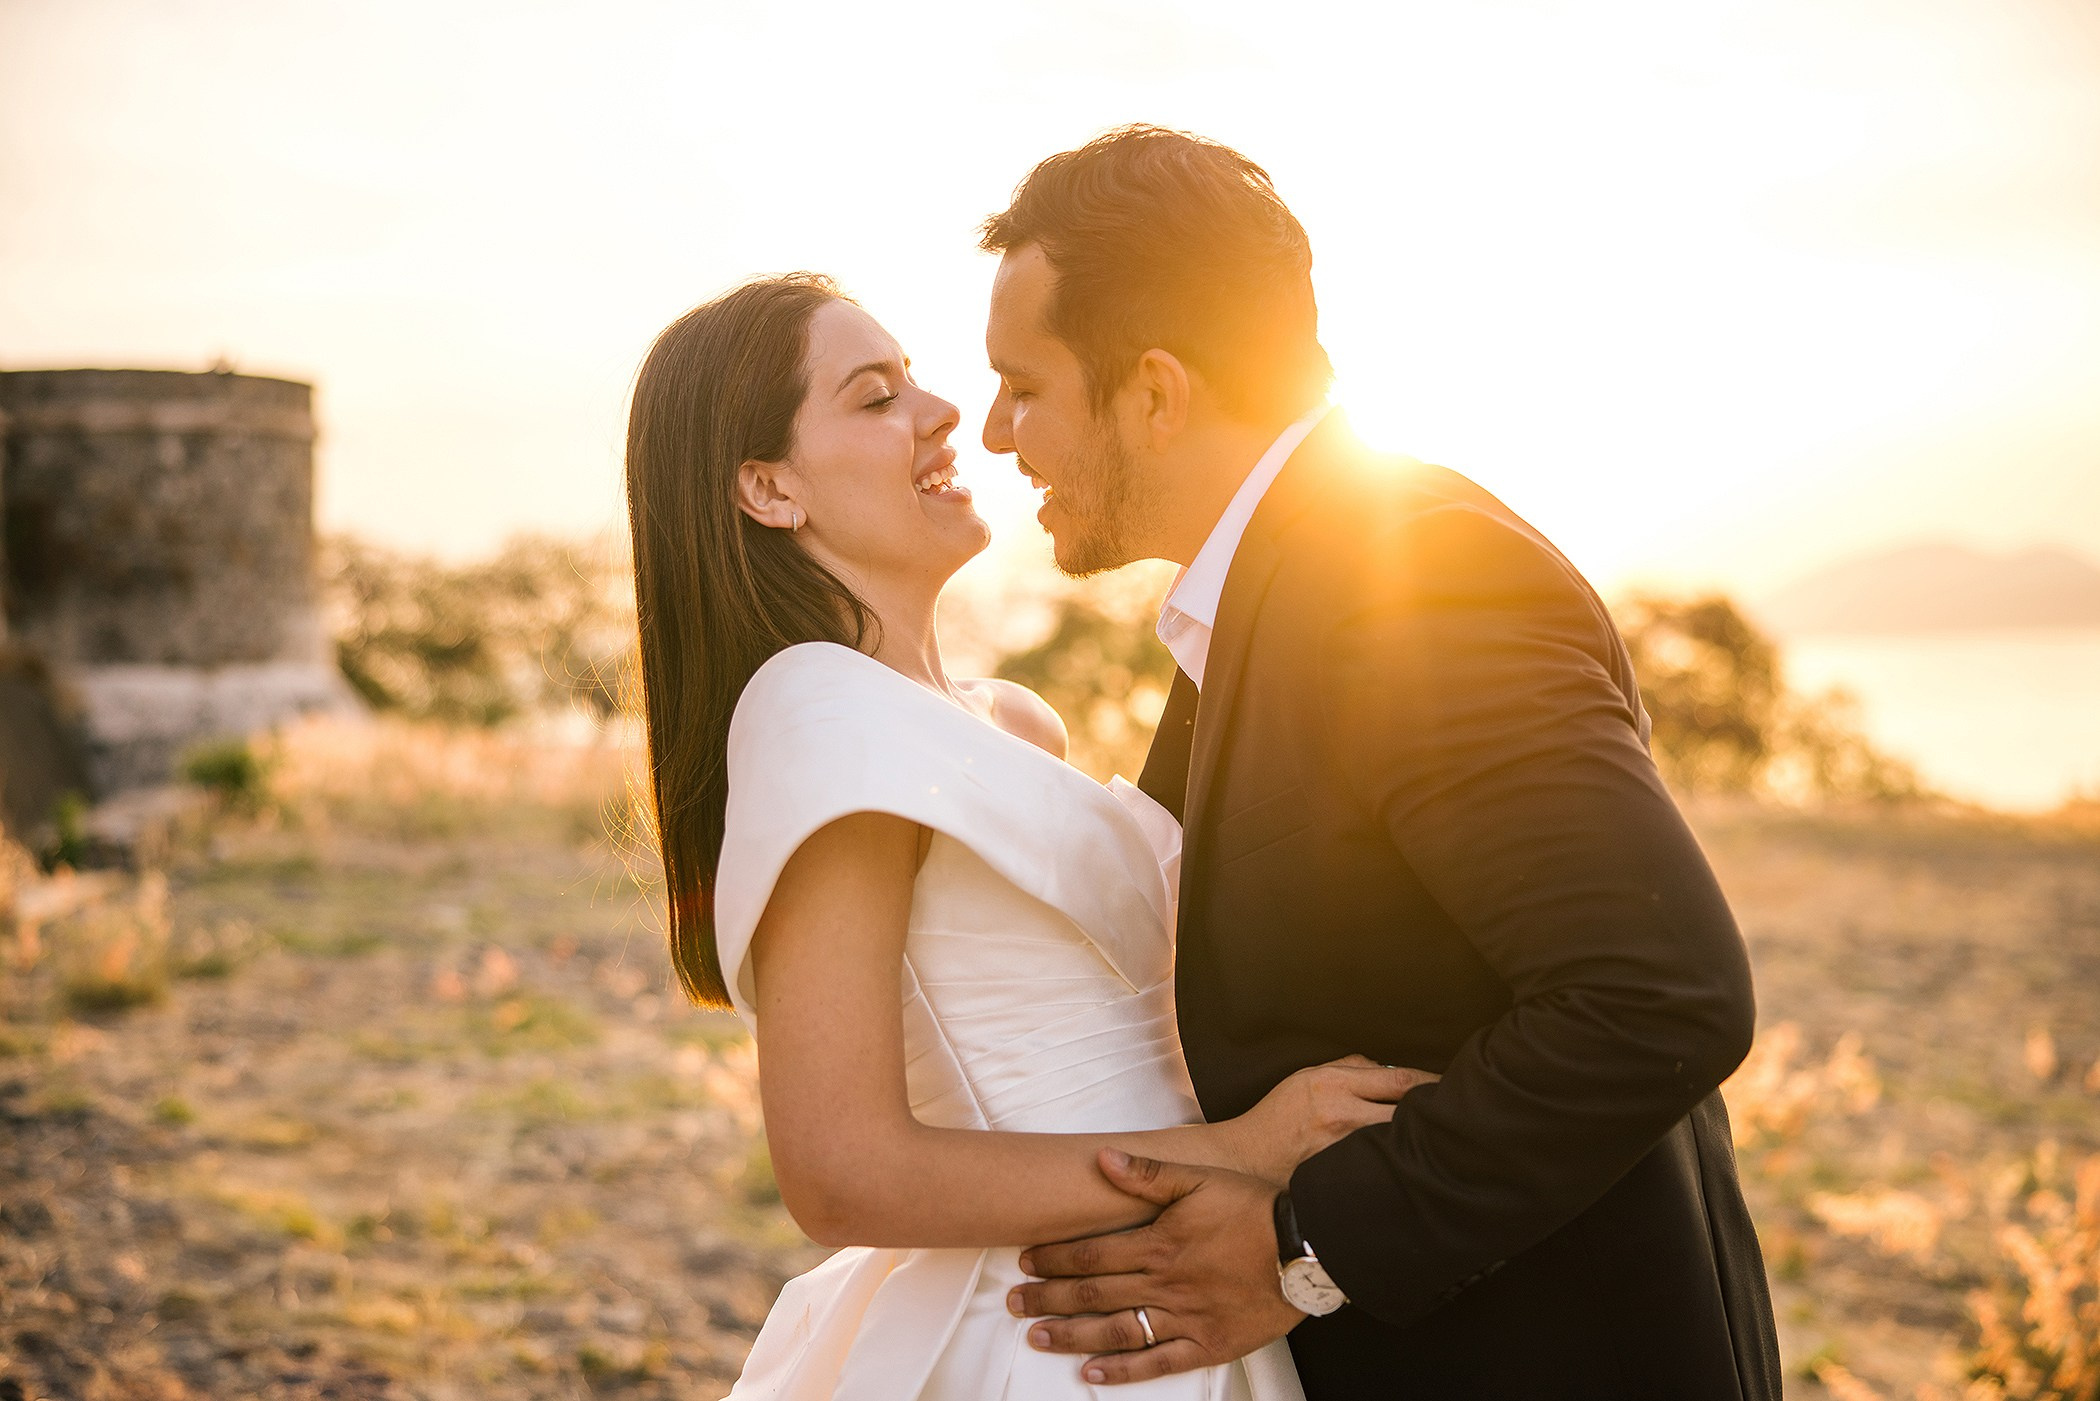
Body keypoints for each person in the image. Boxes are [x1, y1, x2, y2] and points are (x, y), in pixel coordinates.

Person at [982, 126, 1784, 1400]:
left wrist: (1301, 1252)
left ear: (1154, 391)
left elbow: (1656, 995)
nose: (990, 431)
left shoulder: (1409, 581)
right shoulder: (1267, 597)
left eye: (1024, 386)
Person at [623, 271, 1435, 1399]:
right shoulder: (819, 710)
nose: (942, 411)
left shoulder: (1007, 721)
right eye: (873, 398)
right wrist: (1246, 1150)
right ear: (768, 488)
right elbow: (840, 1171)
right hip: (1044, 1333)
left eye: (913, 378)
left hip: (1181, 1294)